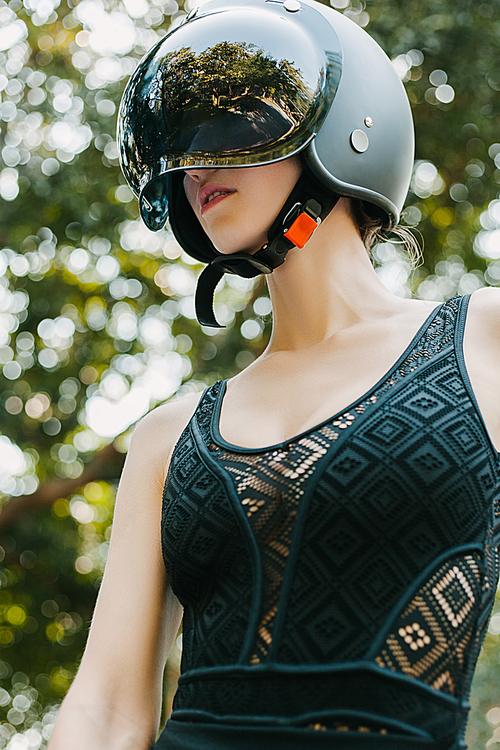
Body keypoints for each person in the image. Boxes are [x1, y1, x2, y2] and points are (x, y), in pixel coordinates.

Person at [48, 0, 500, 748]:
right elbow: (105, 707)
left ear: (350, 127)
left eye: (234, 125)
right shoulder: (168, 436)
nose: (193, 166)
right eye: (179, 145)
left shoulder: (483, 338)